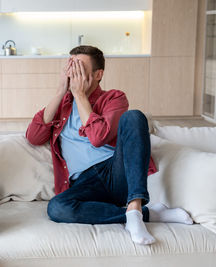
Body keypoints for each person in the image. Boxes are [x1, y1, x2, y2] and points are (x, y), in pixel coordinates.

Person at [26, 45, 193, 245]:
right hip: (84, 183)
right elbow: (34, 137)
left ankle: (135, 206)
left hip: (116, 172)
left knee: (134, 116)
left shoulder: (113, 98)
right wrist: (60, 91)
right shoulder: (62, 106)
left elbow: (98, 138)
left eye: (81, 69)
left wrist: (79, 95)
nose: (75, 75)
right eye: (72, 68)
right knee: (57, 208)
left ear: (98, 74)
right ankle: (145, 214)